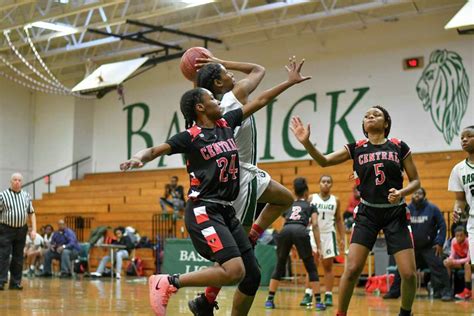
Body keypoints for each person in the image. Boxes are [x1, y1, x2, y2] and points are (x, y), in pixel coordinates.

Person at [120, 57, 310, 316]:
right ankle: (168, 282)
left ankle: (204, 300)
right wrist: (138, 158)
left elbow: (261, 100)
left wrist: (288, 83)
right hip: (204, 211)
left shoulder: (226, 124)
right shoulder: (190, 137)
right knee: (234, 271)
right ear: (200, 106)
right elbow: (156, 149)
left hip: (226, 212)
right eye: (212, 98)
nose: (219, 101)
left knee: (251, 274)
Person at [189, 55, 295, 314]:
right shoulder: (230, 99)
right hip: (240, 179)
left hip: (246, 172)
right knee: (240, 264)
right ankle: (205, 299)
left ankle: (206, 299)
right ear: (217, 82)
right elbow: (258, 68)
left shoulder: (218, 105)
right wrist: (216, 59)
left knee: (285, 198)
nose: (232, 75)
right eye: (226, 73)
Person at [290, 106, 420, 316]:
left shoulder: (398, 146)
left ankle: (405, 313)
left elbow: (416, 181)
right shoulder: (356, 148)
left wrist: (402, 191)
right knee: (351, 270)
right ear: (363, 125)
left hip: (395, 213)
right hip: (367, 213)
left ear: (386, 123)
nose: (370, 117)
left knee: (409, 274)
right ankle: (341, 313)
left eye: (376, 114)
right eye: (367, 115)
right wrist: (306, 143)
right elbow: (324, 161)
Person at [264, 177, 325, 311]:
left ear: (294, 191)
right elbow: (314, 225)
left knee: (280, 265)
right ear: (306, 192)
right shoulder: (310, 206)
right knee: (311, 267)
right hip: (300, 230)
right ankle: (319, 302)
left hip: (285, 231)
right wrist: (319, 247)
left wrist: (290, 243)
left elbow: (285, 223)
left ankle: (269, 300)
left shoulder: (289, 204)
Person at [383, 187, 452, 301]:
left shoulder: (432, 209)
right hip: (412, 248)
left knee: (439, 267)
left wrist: (439, 242)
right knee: (402, 269)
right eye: (414, 193)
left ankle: (446, 292)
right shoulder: (407, 209)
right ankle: (394, 292)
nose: (416, 195)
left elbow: (442, 225)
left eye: (419, 193)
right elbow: (400, 226)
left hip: (429, 247)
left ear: (424, 195)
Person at [300, 175, 344, 307]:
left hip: (328, 235)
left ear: (331, 185)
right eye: (323, 181)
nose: (326, 184)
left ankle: (328, 294)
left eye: (328, 182)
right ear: (319, 184)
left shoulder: (336, 200)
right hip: (313, 234)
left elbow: (339, 220)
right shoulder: (312, 198)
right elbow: (304, 216)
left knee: (328, 267)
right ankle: (308, 293)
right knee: (311, 266)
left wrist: (341, 238)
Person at [0, 172, 37, 290]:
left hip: (21, 229)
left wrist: (34, 230)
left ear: (21, 182)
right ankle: (1, 281)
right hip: (6, 229)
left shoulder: (26, 196)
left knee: (18, 256)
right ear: (11, 182)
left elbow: (31, 213)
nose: (17, 182)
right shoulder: (3, 195)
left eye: (19, 180)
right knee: (3, 255)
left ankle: (15, 282)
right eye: (14, 180)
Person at [450, 125, 474, 289]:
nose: (464, 139)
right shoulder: (458, 169)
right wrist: (457, 210)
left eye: (469, 136)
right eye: (462, 137)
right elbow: (460, 199)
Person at [444, 226, 471, 300]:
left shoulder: (469, 241)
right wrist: (449, 260)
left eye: (461, 235)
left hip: (470, 263)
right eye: (457, 236)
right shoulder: (454, 241)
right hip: (460, 262)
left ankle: (467, 291)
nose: (459, 237)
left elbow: (469, 258)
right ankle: (447, 289)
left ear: (465, 236)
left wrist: (454, 261)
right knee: (447, 264)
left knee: (467, 265)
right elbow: (452, 255)